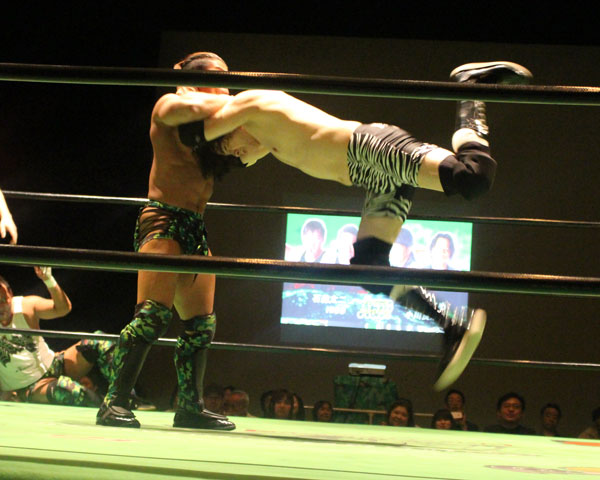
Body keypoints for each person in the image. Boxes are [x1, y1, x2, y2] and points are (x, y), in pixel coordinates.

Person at [178, 61, 532, 391]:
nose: (235, 153)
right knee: (369, 266)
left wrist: (181, 88)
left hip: (371, 147)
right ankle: (451, 324)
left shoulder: (251, 101)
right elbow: (235, 154)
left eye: (229, 145)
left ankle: (470, 87)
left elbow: (193, 133)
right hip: (371, 174)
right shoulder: (263, 135)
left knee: (472, 178)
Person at [95, 51, 237, 430]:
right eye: (220, 77)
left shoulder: (215, 122)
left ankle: (189, 407)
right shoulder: (169, 105)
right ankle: (114, 402)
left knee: (201, 325)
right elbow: (193, 106)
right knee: (152, 316)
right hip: (164, 218)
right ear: (198, 80)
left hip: (195, 225)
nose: (228, 86)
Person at [0, 269, 114, 406]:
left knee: (100, 341)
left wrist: (49, 280)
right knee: (68, 390)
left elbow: (63, 308)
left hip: (53, 365)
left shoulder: (25, 306)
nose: (1, 307)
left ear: (10, 294)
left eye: (3, 300)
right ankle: (108, 410)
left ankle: (124, 397)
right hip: (28, 387)